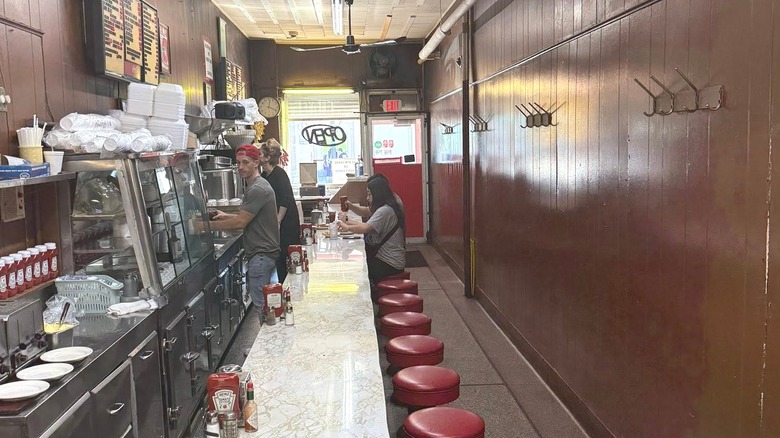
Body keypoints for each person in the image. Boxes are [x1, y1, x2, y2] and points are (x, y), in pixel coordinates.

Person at [210, 145, 280, 321]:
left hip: (261, 255)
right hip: (263, 254)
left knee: (262, 306)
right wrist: (226, 215)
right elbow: (248, 217)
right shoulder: (256, 186)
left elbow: (240, 222)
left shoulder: (257, 189)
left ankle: (269, 346)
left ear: (256, 163)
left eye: (246, 162)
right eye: (238, 163)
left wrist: (203, 226)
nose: (241, 167)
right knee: (264, 304)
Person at [338, 177, 405, 283]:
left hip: (390, 262)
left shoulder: (384, 211)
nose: (368, 198)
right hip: (390, 259)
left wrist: (348, 227)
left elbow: (366, 228)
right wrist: (347, 221)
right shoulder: (387, 206)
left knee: (357, 270)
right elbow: (369, 225)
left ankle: (369, 297)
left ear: (377, 193)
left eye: (369, 194)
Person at [259, 139, 301, 283]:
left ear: (267, 157)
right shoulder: (264, 176)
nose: (257, 156)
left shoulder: (279, 174)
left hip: (286, 223)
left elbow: (285, 199)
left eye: (260, 154)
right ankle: (284, 288)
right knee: (279, 258)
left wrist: (278, 219)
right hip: (275, 223)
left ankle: (292, 288)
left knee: (287, 256)